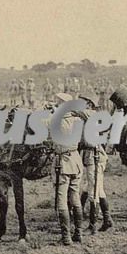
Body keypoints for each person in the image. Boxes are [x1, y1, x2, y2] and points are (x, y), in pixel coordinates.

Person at [77, 93, 114, 234]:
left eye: (84, 101)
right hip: (92, 155)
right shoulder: (89, 116)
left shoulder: (91, 114)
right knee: (95, 189)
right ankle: (107, 219)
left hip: (95, 156)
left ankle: (92, 225)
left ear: (90, 104)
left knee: (93, 192)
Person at [52, 93, 85, 245]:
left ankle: (66, 237)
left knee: (61, 201)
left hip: (63, 163)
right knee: (75, 198)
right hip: (76, 160)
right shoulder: (78, 120)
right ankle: (78, 233)